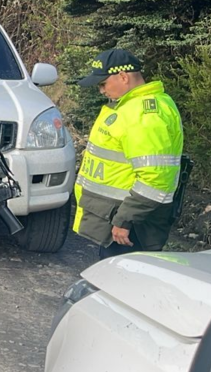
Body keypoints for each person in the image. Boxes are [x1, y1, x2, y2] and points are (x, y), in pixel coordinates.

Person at [72, 48, 184, 258]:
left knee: (121, 285)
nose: (101, 91)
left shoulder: (143, 115)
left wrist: (124, 221)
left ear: (123, 77)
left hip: (130, 229)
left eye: (102, 84)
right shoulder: (132, 108)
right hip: (118, 220)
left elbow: (156, 179)